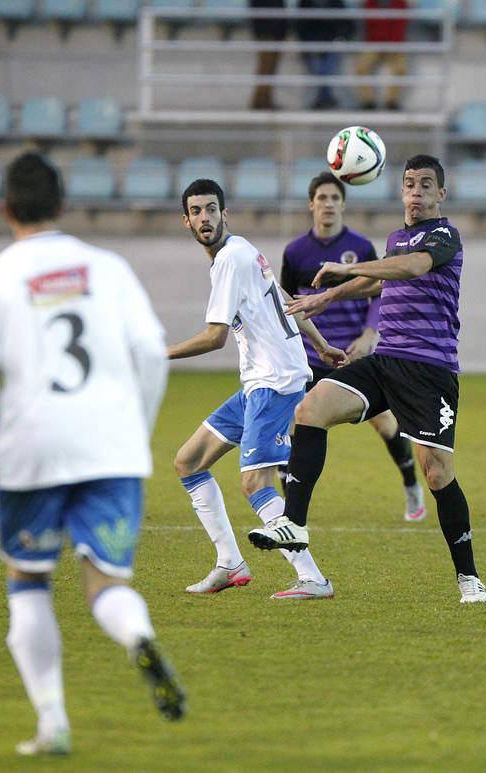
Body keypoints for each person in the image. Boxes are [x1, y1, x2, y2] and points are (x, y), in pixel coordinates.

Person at [0, 153, 186, 757]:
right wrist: (134, 429)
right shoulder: (108, 268)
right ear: (64, 205)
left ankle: (53, 722)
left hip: (32, 443)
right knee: (107, 583)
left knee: (29, 582)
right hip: (111, 445)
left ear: (5, 208)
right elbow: (148, 353)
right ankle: (137, 634)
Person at [248, 155, 486, 605]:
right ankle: (294, 524)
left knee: (436, 473)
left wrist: (349, 269)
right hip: (385, 361)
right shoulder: (396, 239)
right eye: (409, 184)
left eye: (425, 185)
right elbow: (382, 283)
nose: (415, 192)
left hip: (429, 370)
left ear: (441, 193)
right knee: (310, 410)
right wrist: (327, 298)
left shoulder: (443, 236)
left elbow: (412, 268)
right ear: (400, 191)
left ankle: (468, 577)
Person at [170, 178, 346, 601]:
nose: (205, 218)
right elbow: (285, 298)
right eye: (197, 212)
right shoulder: (244, 251)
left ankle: (313, 579)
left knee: (255, 481)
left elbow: (215, 337)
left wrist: (159, 354)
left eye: (211, 209)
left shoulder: (231, 259)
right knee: (189, 461)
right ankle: (230, 563)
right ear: (187, 222)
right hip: (258, 383)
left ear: (224, 214)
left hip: (275, 382)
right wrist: (321, 345)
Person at [279, 171, 426, 521]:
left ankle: (411, 488)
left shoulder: (360, 247)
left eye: (334, 198)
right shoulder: (295, 252)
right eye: (322, 198)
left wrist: (370, 332)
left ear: (343, 205)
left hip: (354, 356)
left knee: (386, 426)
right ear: (311, 205)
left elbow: (380, 289)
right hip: (311, 357)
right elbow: (285, 303)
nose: (328, 204)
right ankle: (291, 513)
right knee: (295, 428)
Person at [295, 0, 353, 110]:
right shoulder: (305, 3)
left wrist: (339, 39)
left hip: (332, 43)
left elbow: (347, 24)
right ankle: (326, 98)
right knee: (319, 67)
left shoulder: (337, 2)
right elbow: (300, 26)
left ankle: (323, 98)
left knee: (326, 67)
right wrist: (309, 44)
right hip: (312, 44)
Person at [356, 0, 409, 111]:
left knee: (400, 69)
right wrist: (380, 44)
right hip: (374, 44)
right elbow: (370, 26)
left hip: (394, 45)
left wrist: (390, 46)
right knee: (361, 67)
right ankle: (368, 101)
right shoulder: (370, 3)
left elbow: (400, 27)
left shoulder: (400, 3)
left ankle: (392, 101)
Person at [249, 0, 288, 110]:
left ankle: (265, 99)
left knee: (270, 67)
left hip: (275, 30)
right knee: (266, 66)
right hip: (267, 31)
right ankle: (260, 100)